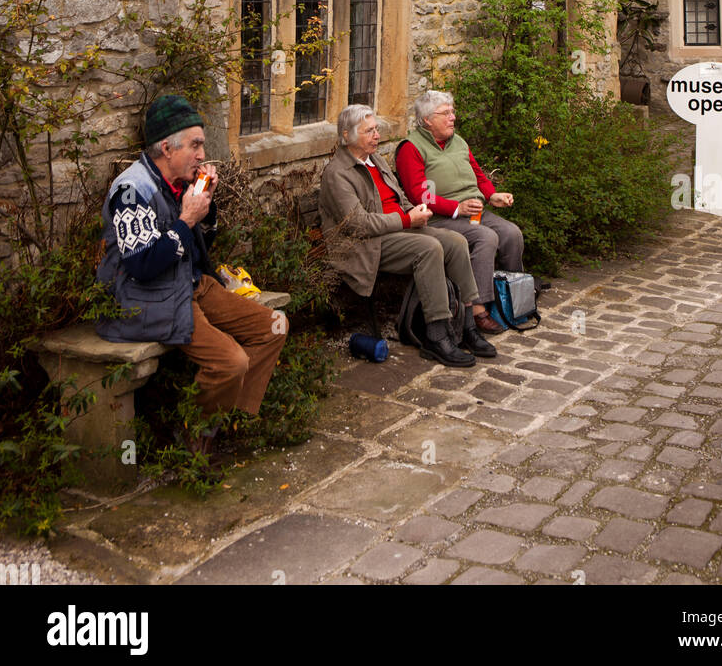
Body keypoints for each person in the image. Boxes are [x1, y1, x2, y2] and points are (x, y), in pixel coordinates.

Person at [97, 94, 287, 452]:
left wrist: (206, 209)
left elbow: (197, 249)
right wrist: (186, 219)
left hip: (188, 284)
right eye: (196, 144)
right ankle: (194, 439)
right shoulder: (130, 190)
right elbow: (143, 265)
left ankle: (229, 420)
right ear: (167, 147)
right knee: (232, 362)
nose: (203, 154)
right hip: (145, 297)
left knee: (274, 325)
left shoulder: (180, 182)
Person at [319, 104, 496, 367]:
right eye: (369, 131)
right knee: (429, 248)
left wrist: (414, 211)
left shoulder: (376, 161)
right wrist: (405, 219)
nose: (377, 135)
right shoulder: (337, 174)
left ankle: (467, 325)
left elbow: (398, 198)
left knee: (457, 242)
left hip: (399, 229)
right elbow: (357, 224)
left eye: (377, 129)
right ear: (347, 136)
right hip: (366, 244)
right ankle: (437, 335)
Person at [395, 91, 525, 335]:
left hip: (474, 212)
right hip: (440, 219)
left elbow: (477, 174)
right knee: (485, 238)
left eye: (452, 112)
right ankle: (477, 310)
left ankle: (510, 300)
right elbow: (419, 195)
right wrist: (456, 207)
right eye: (445, 113)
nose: (453, 117)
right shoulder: (410, 149)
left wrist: (491, 195)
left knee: (511, 233)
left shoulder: (458, 141)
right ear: (427, 120)